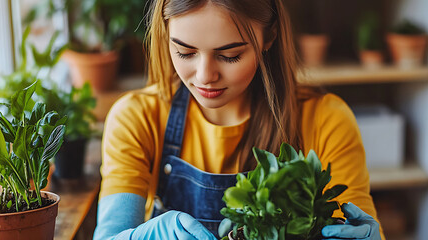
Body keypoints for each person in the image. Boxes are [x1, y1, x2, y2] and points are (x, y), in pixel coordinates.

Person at [93, 0, 383, 239]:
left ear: (269, 36)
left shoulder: (325, 120)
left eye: (230, 55)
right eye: (185, 52)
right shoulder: (137, 117)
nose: (205, 75)